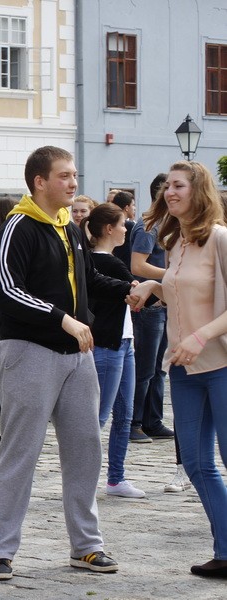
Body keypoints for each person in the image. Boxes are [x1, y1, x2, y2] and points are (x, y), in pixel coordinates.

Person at [0, 146, 155, 581]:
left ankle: (86, 547)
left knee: (85, 450)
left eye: (74, 174)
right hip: (29, 352)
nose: (74, 183)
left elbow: (86, 279)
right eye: (65, 176)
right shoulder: (18, 227)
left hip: (76, 357)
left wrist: (127, 289)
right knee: (20, 452)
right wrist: (62, 319)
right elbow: (7, 290)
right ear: (40, 181)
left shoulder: (69, 227)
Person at [130, 160, 227, 578]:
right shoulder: (176, 243)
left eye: (178, 186)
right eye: (167, 186)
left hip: (221, 363)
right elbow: (182, 289)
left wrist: (200, 336)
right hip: (185, 369)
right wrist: (155, 286)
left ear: (198, 191)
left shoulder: (220, 239)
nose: (169, 193)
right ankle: (225, 550)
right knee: (195, 462)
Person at [81, 203, 144, 499]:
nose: (126, 228)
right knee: (102, 417)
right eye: (122, 224)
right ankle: (85, 479)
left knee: (123, 414)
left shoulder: (102, 260)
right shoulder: (107, 263)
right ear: (109, 229)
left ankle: (115, 479)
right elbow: (139, 296)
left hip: (123, 343)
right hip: (109, 346)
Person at [128, 174, 175, 445]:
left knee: (159, 368)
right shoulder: (150, 225)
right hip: (149, 306)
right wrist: (173, 274)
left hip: (163, 303)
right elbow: (138, 266)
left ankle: (152, 421)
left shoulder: (169, 224)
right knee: (145, 369)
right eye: (171, 188)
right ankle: (134, 422)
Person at [110, 191, 136, 268]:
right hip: (125, 267)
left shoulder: (110, 223)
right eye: (133, 205)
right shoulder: (130, 226)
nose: (134, 208)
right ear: (127, 208)